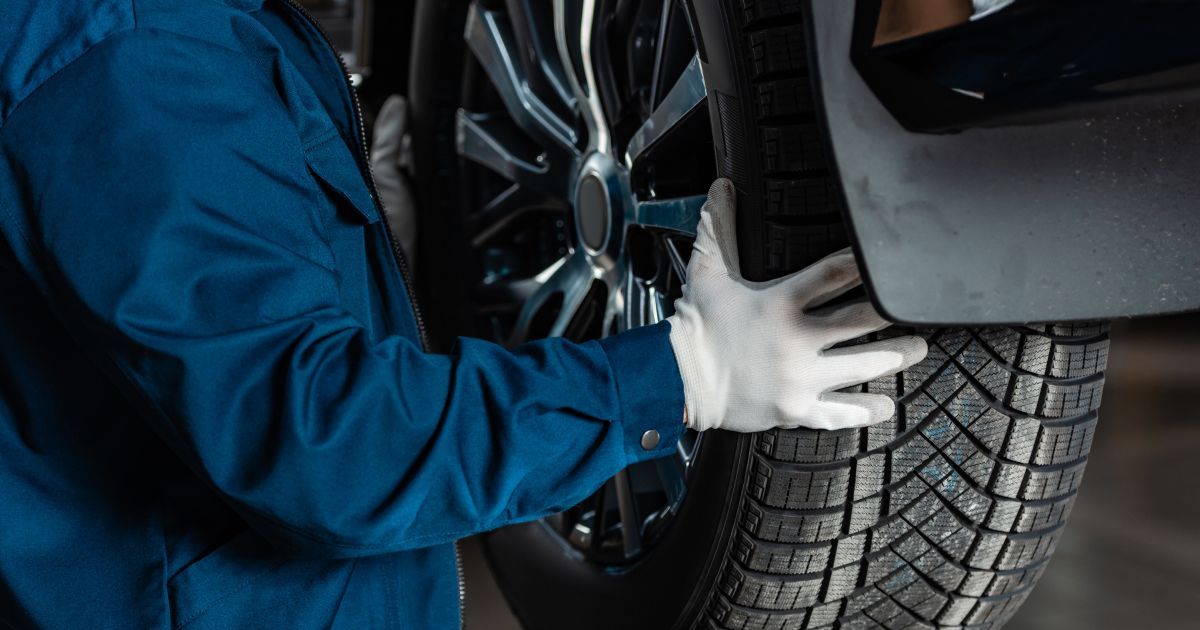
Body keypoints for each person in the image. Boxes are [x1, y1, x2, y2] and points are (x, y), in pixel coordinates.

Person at [0, 1, 926, 628]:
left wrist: (364, 260)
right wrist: (680, 375)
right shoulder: (138, 56)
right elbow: (323, 447)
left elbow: (175, 328)